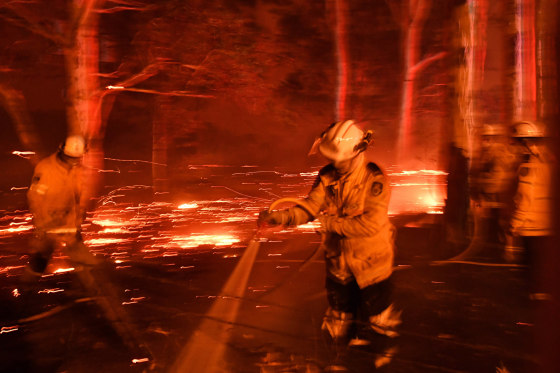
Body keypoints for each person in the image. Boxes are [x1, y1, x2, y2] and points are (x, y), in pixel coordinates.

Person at [258, 120, 401, 343]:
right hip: (339, 269)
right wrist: (281, 218)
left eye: (338, 159)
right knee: (339, 327)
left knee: (376, 328)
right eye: (331, 158)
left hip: (372, 268)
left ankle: (379, 359)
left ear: (356, 154)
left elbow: (370, 225)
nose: (333, 163)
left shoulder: (374, 180)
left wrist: (331, 224)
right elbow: (310, 208)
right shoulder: (327, 176)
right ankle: (340, 360)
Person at [19, 134, 152, 364]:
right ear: (62, 152)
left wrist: (78, 220)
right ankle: (23, 295)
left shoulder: (76, 170)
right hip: (48, 225)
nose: (74, 161)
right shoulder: (46, 168)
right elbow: (34, 196)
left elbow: (77, 197)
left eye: (76, 158)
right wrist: (42, 224)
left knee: (87, 263)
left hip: (69, 226)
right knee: (39, 260)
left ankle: (95, 289)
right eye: (71, 158)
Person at [508, 121, 555, 299]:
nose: (516, 149)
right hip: (548, 226)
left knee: (532, 270)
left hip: (532, 228)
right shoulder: (550, 164)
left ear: (526, 143)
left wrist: (514, 225)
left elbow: (526, 201)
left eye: (519, 143)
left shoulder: (528, 169)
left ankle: (535, 303)